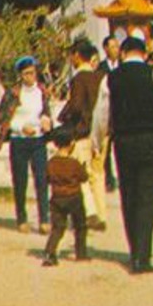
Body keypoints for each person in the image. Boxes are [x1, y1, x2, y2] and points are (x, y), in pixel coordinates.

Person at [92, 35, 153, 273]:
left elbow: (101, 115)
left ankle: (134, 253)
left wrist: (97, 141)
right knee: (147, 199)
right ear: (144, 54)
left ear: (122, 54)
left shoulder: (110, 79)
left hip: (123, 142)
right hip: (150, 140)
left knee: (128, 196)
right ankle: (143, 255)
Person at [0, 55, 52, 233]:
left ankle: (44, 218)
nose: (30, 77)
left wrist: (46, 121)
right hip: (19, 140)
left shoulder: (41, 92)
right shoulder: (13, 94)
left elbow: (46, 112)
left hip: (38, 140)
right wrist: (20, 127)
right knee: (20, 181)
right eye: (26, 74)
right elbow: (5, 119)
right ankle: (21, 217)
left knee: (42, 179)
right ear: (20, 75)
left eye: (32, 73)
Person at [56, 40, 108, 231]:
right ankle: (102, 214)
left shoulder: (79, 79)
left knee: (82, 173)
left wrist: (65, 117)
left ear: (77, 55)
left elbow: (76, 106)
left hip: (83, 133)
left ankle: (91, 212)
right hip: (103, 134)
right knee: (98, 175)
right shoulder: (101, 76)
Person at [42, 127, 90, 266]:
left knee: (57, 227)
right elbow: (84, 177)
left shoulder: (51, 163)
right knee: (80, 226)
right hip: (74, 196)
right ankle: (81, 253)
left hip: (57, 198)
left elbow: (46, 179)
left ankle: (49, 252)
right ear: (71, 143)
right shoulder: (73, 163)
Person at [100, 34, 122, 193]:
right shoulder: (101, 68)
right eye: (113, 46)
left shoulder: (123, 67)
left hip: (121, 114)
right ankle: (108, 178)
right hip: (107, 114)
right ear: (106, 49)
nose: (116, 50)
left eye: (117, 46)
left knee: (121, 149)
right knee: (106, 150)